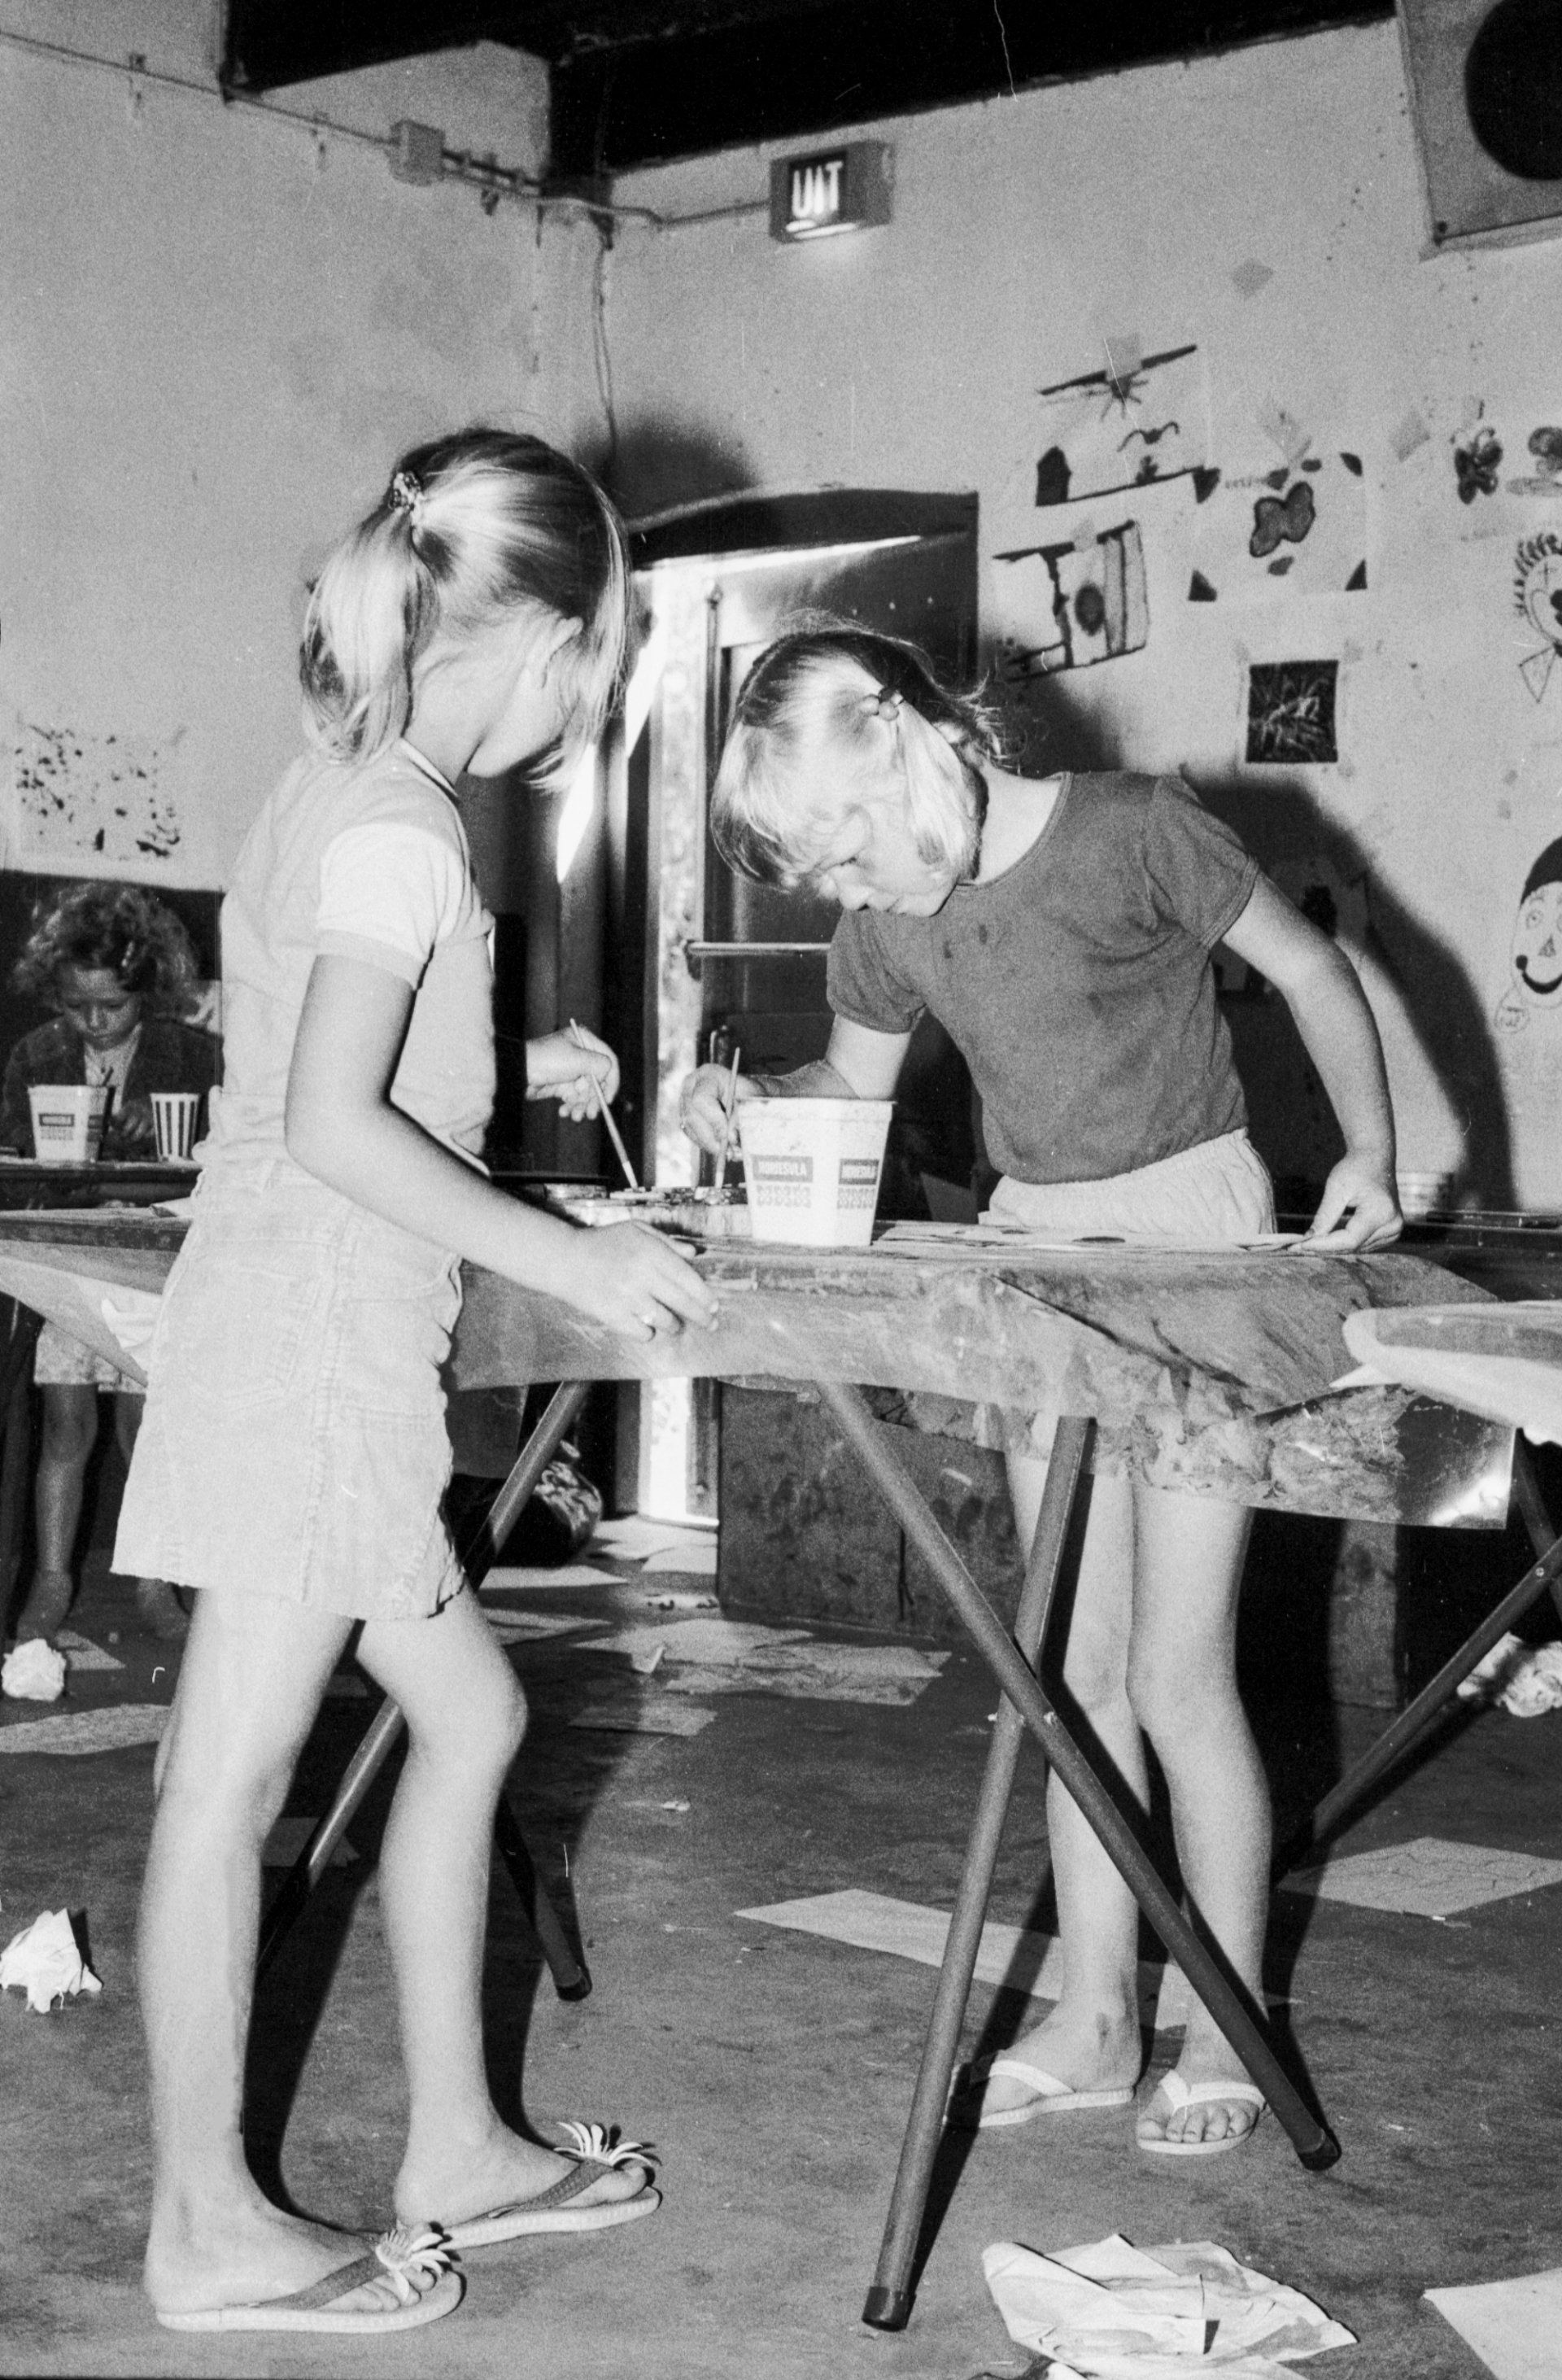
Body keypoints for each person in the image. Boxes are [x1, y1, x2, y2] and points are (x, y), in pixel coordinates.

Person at [116, 428, 718, 2338]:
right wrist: (579, 1254)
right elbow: (331, 1121)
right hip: (313, 1345)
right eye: (595, 664)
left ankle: (458, 2142)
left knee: (470, 1714)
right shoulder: (407, 823)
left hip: (330, 1341)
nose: (582, 704)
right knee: (228, 1784)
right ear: (544, 639)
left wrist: (520, 1064)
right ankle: (206, 2225)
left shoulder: (349, 790)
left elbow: (345, 1051)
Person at [683, 622, 1401, 2161]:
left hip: (1196, 1249)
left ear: (904, 739)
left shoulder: (1135, 833)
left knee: (1177, 1673)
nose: (858, 892)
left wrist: (1370, 1151)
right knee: (1070, 1679)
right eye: (829, 877)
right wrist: (745, 1096)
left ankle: (1224, 2020)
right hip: (1036, 1259)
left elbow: (1311, 968)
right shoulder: (888, 925)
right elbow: (849, 1092)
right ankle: (1092, 2014)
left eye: (852, 849)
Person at [2, 882, 220, 1643]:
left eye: (113, 1006)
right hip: (70, 1257)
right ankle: (53, 1577)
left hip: (153, 1261)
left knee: (146, 1424)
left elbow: (218, 1161)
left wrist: (154, 1142)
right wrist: (70, 1148)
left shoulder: (194, 1055)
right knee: (67, 1423)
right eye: (77, 1006)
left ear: (147, 989)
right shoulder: (36, 1055)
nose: (95, 1021)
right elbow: (14, 1157)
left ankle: (155, 1581)